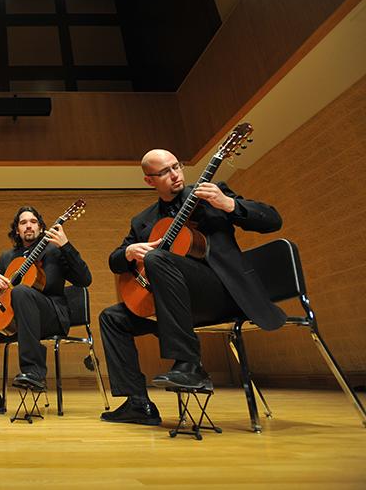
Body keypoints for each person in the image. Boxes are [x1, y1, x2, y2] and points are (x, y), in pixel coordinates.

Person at [99, 149, 285, 425]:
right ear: (149, 181)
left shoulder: (211, 194)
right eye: (164, 172)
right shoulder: (143, 221)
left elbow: (272, 220)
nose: (175, 175)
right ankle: (137, 403)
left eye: (177, 166)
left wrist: (229, 205)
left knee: (157, 257)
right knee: (112, 318)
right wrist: (127, 253)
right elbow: (114, 261)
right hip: (175, 304)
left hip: (221, 294)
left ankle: (189, 365)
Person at [0, 206, 92, 414]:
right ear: (17, 230)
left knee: (21, 292)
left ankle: (33, 372)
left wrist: (66, 246)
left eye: (34, 221)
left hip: (50, 317)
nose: (29, 225)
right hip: (15, 321)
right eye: (23, 222)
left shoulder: (55, 251)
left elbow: (85, 279)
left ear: (42, 227)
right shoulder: (8, 257)